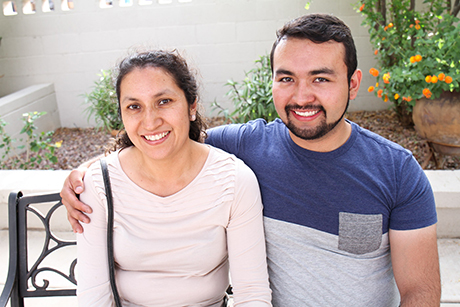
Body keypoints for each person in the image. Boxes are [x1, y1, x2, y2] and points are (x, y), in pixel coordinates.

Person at [63, 14, 441, 307]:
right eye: (287, 78)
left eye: (321, 79)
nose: (302, 96)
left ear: (353, 83)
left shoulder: (396, 172)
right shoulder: (246, 146)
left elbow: (420, 293)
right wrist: (86, 175)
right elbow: (163, 142)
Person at [75, 50, 272, 307]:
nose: (150, 121)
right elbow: (94, 297)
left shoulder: (234, 181)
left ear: (192, 106)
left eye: (164, 101)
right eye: (134, 106)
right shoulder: (99, 185)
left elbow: (252, 294)